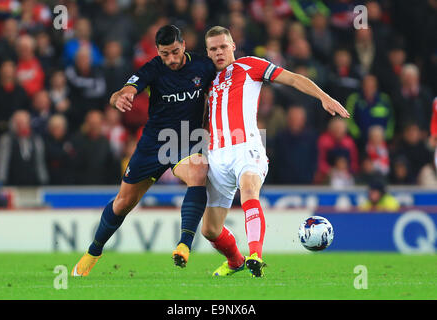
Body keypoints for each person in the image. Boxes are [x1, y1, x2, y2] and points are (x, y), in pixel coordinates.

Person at [200, 26, 349, 277]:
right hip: (217, 154)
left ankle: (256, 255)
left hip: (246, 147)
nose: (219, 52)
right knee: (210, 230)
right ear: (207, 52)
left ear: (233, 46)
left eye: (223, 46)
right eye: (213, 49)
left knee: (249, 188)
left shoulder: (251, 66)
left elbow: (292, 78)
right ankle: (236, 260)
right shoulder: (206, 80)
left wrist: (323, 96)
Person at [71, 25, 215, 277]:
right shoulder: (153, 68)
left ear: (184, 44)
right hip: (153, 144)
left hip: (187, 141)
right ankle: (93, 251)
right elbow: (124, 90)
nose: (170, 59)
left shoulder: (203, 66)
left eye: (174, 52)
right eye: (164, 54)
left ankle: (184, 244)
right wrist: (119, 97)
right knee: (123, 203)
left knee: (198, 172)